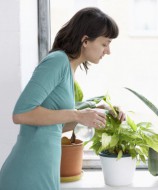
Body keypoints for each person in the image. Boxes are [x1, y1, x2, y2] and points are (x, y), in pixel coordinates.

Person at [0, 7, 124, 190]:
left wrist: (99, 113)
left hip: (44, 168)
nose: (108, 51)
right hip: (28, 171)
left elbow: (55, 125)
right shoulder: (57, 61)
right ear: (85, 40)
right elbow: (21, 113)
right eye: (105, 43)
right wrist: (78, 115)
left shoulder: (68, 69)